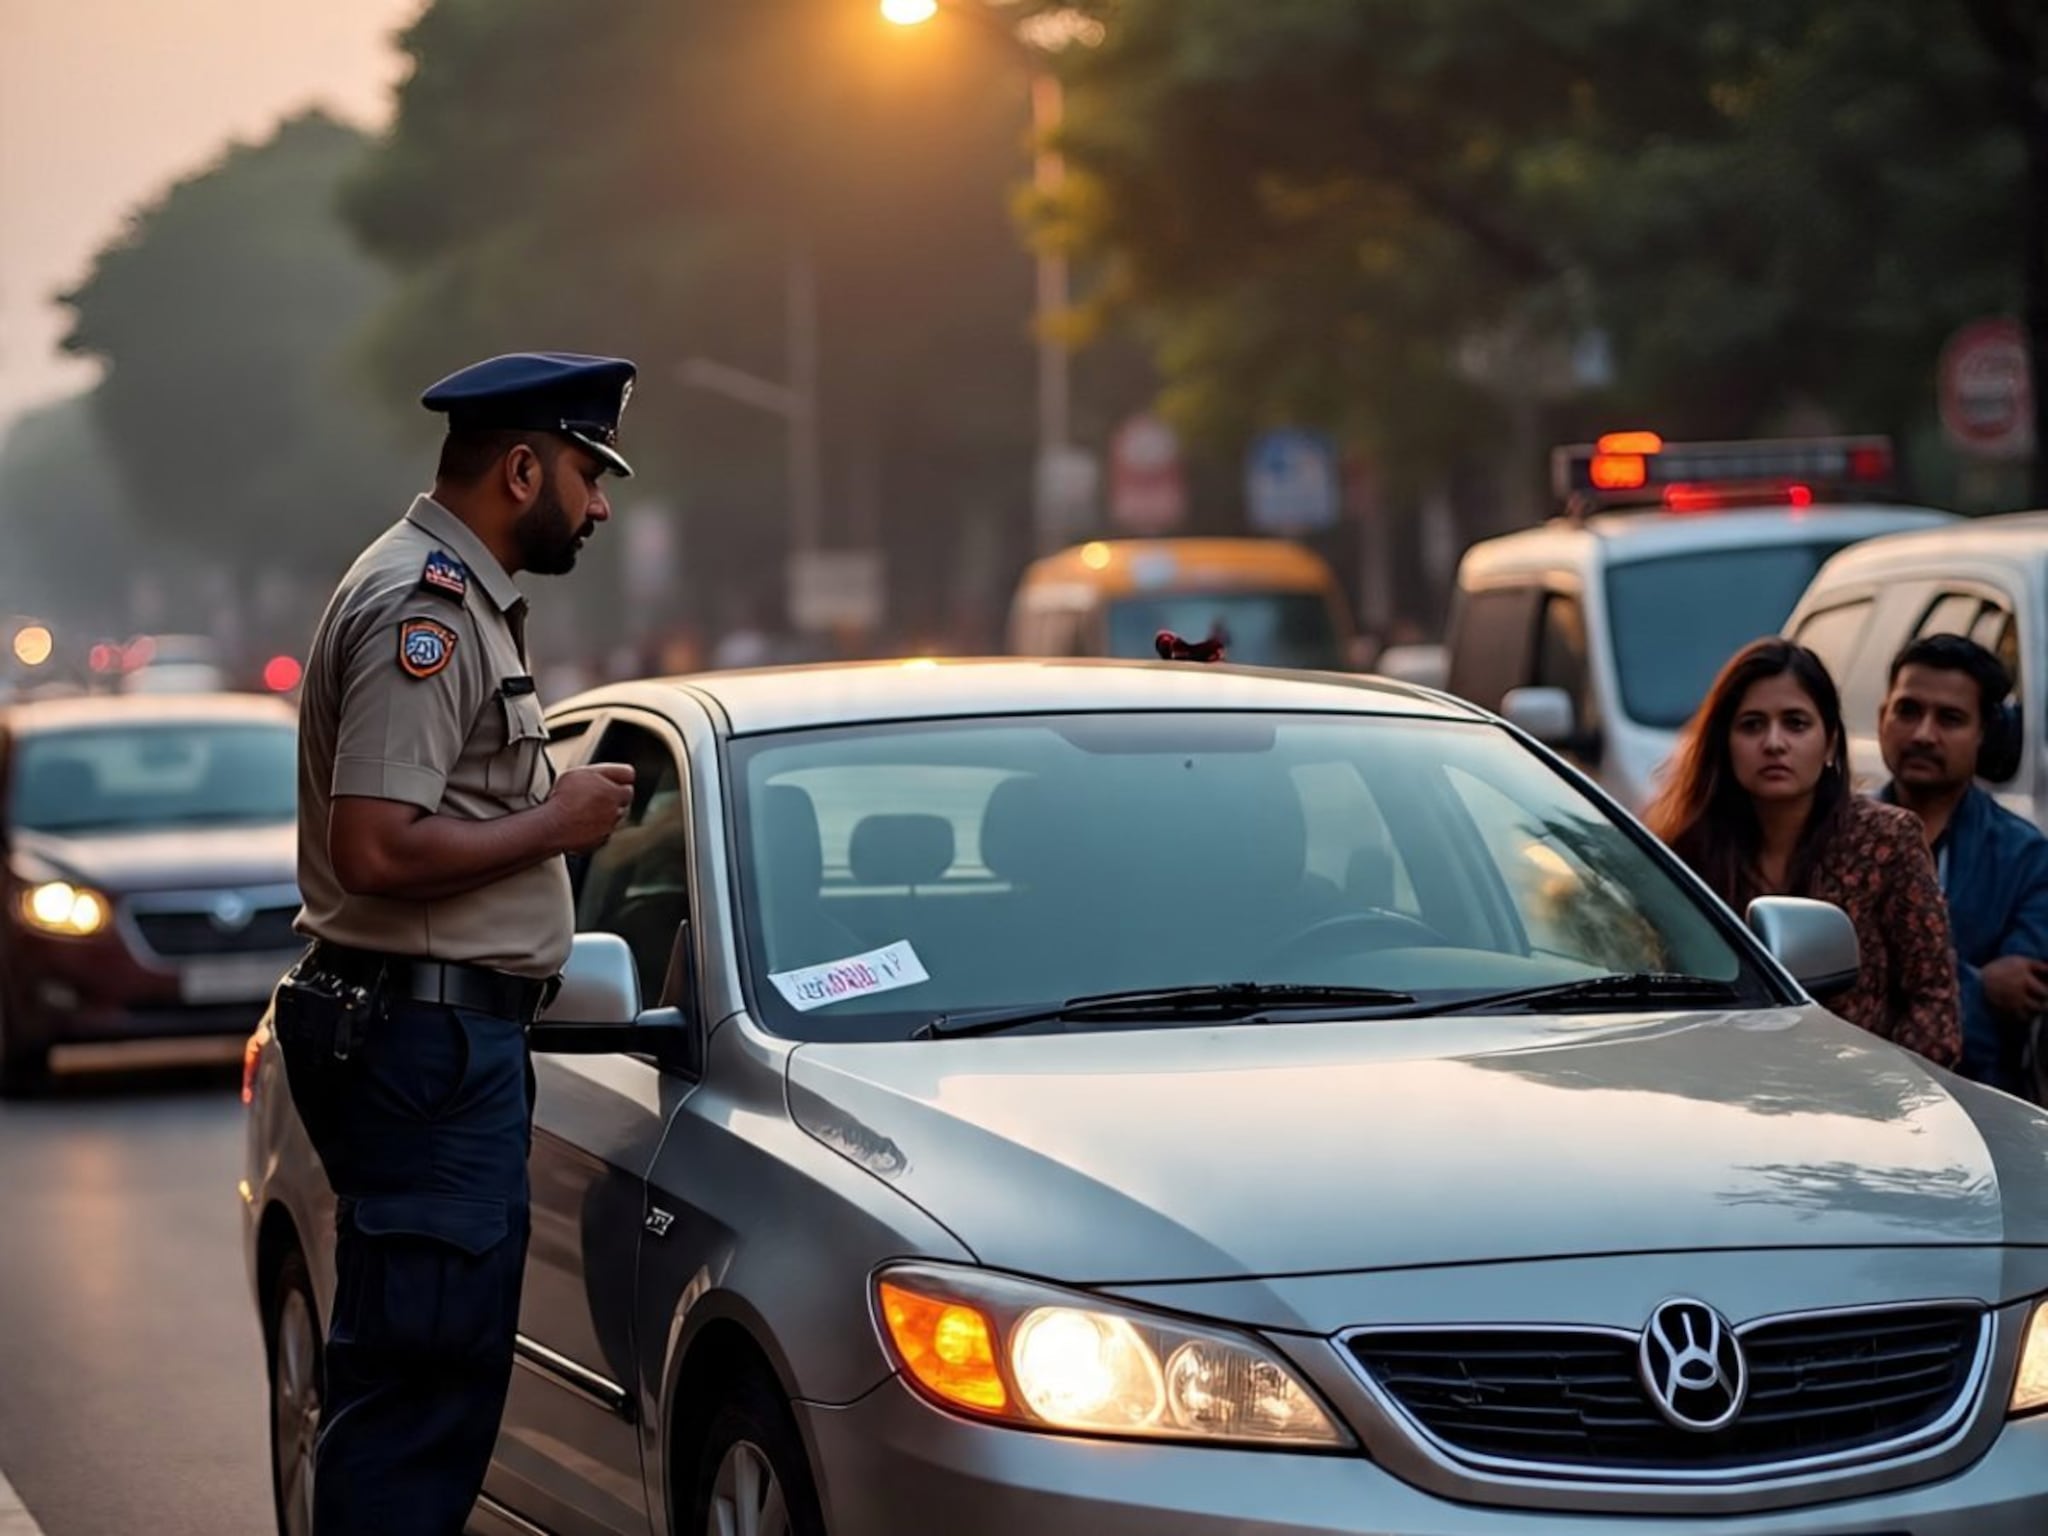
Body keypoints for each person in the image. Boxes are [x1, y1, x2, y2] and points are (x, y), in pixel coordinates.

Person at [281, 351, 640, 1534]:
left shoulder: (440, 594)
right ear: (522, 467)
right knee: (419, 1401)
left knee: (424, 1386)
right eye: (588, 475)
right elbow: (376, 845)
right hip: (422, 1043)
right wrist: (564, 819)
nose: (597, 506)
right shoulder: (424, 609)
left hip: (423, 1037)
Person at [1644, 638, 1961, 1068]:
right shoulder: (1686, 851)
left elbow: (1934, 1005)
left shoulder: (1886, 840)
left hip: (1860, 1100)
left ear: (1830, 743)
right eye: (1752, 725)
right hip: (1724, 1091)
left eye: (1795, 724)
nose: (1774, 743)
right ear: (1725, 742)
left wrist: (1884, 1090)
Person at [1875, 634, 2048, 1095]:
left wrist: (1883, 972)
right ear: (1881, 717)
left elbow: (2009, 1013)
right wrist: (1979, 981)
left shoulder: (2026, 856)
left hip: (1981, 1103)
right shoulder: (1837, 838)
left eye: (1949, 718)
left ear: (1984, 734)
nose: (1923, 734)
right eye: (1908, 710)